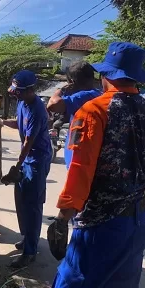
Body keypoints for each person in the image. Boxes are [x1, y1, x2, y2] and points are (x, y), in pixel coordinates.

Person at [49, 42, 145, 288]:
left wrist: (63, 216)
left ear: (106, 75)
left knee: (73, 281)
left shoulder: (93, 111)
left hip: (100, 223)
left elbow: (81, 170)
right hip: (137, 221)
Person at [3, 70, 52, 268]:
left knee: (32, 205)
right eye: (15, 92)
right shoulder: (22, 103)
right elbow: (18, 124)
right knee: (22, 200)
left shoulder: (38, 110)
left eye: (19, 92)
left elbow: (28, 142)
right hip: (27, 159)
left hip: (37, 160)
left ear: (31, 90)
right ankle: (27, 238)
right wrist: (0, 123)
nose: (16, 95)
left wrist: (17, 166)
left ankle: (30, 251)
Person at [47, 60, 101, 169]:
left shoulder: (82, 97)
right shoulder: (99, 94)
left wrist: (62, 89)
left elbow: (52, 105)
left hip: (78, 162)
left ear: (71, 82)